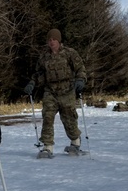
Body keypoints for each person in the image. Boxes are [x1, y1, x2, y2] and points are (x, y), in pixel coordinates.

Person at [24, 28, 86, 159]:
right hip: (50, 92)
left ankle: (75, 141)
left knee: (69, 119)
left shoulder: (70, 53)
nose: (51, 42)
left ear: (59, 40)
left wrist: (80, 80)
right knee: (47, 117)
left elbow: (80, 68)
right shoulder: (44, 57)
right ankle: (47, 146)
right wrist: (32, 83)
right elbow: (39, 73)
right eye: (49, 40)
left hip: (67, 90)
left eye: (54, 39)